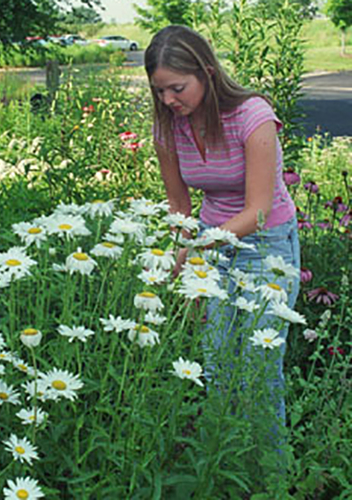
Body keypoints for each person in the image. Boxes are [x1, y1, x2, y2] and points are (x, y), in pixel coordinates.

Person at [145, 26, 300, 433]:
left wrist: (195, 247)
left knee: (258, 369)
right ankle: (227, 475)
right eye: (160, 91)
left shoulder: (253, 117)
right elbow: (180, 207)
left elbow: (259, 211)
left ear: (208, 73)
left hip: (267, 245)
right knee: (215, 364)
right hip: (211, 246)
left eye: (177, 88)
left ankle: (274, 483)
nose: (168, 100)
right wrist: (180, 261)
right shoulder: (167, 127)